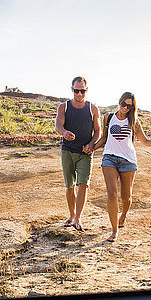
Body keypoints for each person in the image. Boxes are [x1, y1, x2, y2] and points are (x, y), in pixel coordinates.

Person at [93, 92, 151, 242]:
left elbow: (145, 141)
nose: (126, 108)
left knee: (126, 197)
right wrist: (92, 148)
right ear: (119, 102)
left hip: (128, 161)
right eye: (124, 104)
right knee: (112, 193)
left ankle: (123, 215)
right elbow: (104, 138)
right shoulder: (108, 117)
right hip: (109, 157)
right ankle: (114, 230)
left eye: (130, 106)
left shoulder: (133, 121)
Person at [55, 76, 101, 231]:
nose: (79, 94)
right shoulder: (64, 107)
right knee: (69, 186)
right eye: (76, 90)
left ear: (86, 90)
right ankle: (71, 215)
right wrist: (64, 132)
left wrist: (91, 145)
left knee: (83, 185)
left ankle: (78, 218)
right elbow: (58, 124)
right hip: (67, 151)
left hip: (85, 153)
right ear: (72, 89)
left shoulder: (93, 109)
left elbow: (98, 131)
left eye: (82, 91)